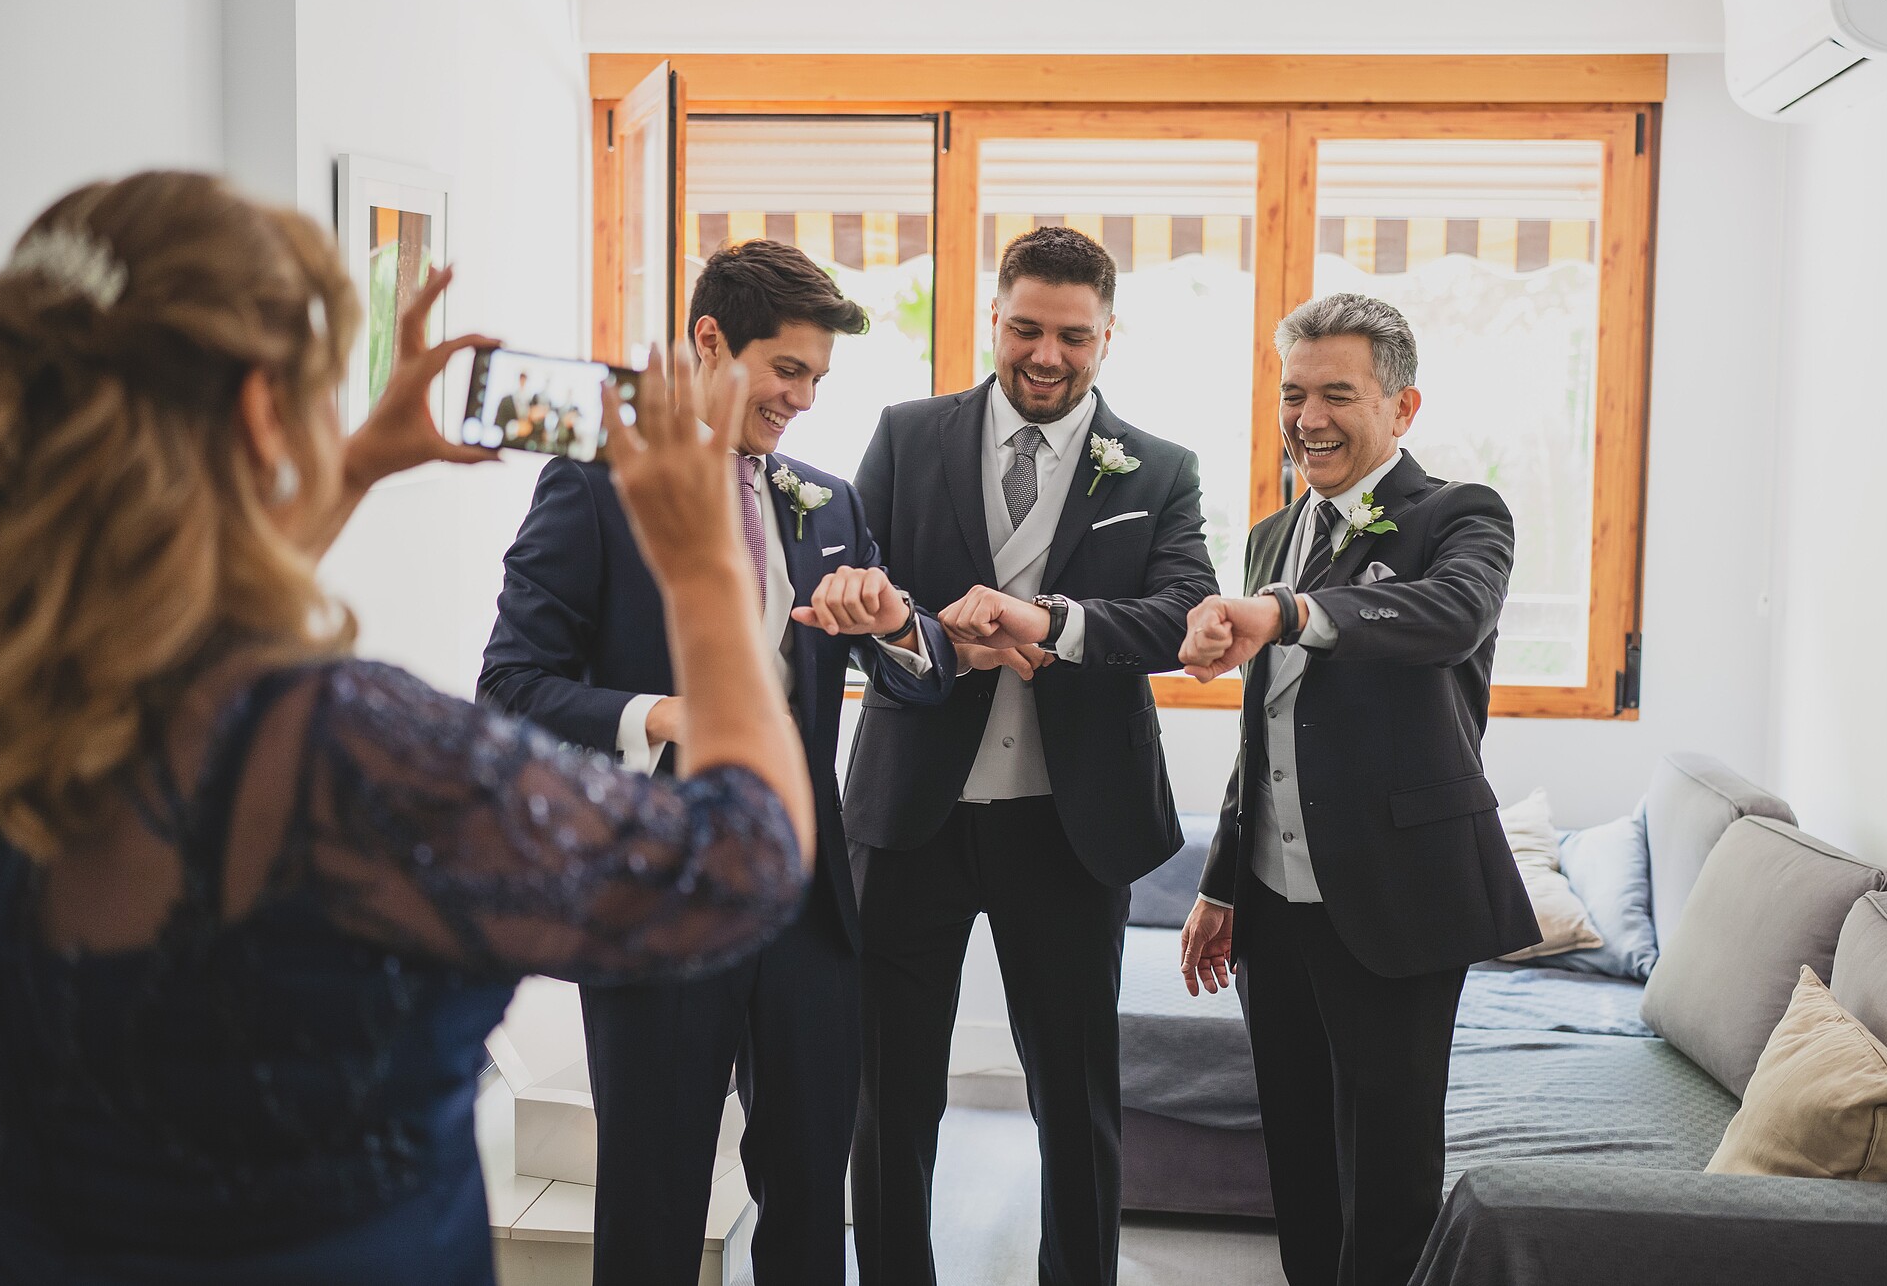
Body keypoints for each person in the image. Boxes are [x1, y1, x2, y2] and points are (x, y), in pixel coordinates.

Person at [0, 171, 815, 1286]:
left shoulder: (15, 694)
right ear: (264, 413)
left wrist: (361, 459)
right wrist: (705, 566)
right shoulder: (356, 755)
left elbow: (161, 638)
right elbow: (745, 861)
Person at [479, 238, 953, 1286]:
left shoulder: (826, 503)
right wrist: (664, 715)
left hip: (807, 902)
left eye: (818, 380)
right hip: (656, 891)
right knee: (653, 1194)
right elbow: (510, 685)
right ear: (709, 340)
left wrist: (895, 625)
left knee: (805, 1189)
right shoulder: (595, 485)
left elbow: (923, 681)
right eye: (787, 371)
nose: (803, 400)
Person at [845, 226, 1218, 1286]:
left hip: (1069, 825)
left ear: (1107, 335)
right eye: (1023, 329)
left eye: (1070, 336)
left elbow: (1181, 614)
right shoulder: (906, 435)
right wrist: (925, 632)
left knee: (1074, 1093)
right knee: (891, 1092)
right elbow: (859, 588)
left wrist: (1049, 622)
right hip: (908, 815)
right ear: (991, 316)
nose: (1044, 355)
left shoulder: (1160, 468)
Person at [1175, 292, 1540, 1286]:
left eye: (1336, 394)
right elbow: (1262, 739)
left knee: (1384, 1169)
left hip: (1397, 894)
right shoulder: (1266, 537)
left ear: (1401, 406)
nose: (1308, 418)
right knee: (1292, 1152)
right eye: (1293, 394)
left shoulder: (1458, 515)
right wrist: (1218, 886)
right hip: (1274, 907)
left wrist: (1287, 609)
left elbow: (1447, 619)